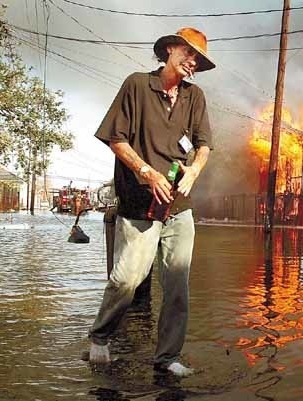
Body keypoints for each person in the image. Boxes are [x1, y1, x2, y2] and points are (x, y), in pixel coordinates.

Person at [88, 27, 215, 377]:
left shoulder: (195, 97)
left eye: (199, 60)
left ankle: (168, 357)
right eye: (189, 54)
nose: (193, 63)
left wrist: (194, 171)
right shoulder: (137, 85)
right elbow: (116, 139)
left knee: (177, 284)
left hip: (178, 207)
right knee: (127, 279)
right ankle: (100, 337)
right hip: (139, 203)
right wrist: (146, 172)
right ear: (170, 50)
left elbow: (203, 144)